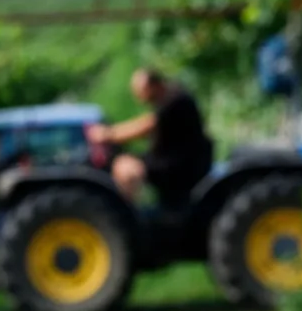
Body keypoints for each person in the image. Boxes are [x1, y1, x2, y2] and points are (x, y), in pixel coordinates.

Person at [85, 68, 213, 207]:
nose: (139, 97)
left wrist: (108, 134)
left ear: (154, 85)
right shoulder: (170, 98)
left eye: (141, 91)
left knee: (125, 167)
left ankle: (126, 216)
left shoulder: (175, 100)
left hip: (180, 165)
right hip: (170, 160)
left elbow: (146, 126)